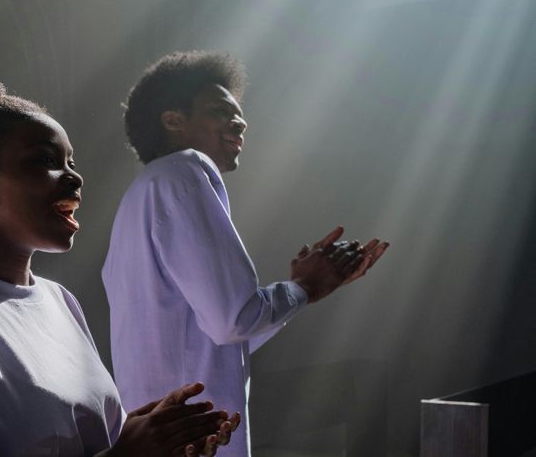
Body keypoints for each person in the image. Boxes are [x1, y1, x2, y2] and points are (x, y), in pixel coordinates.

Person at [0, 73, 239, 456]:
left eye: (70, 161)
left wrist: (155, 439)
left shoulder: (60, 301)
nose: (75, 177)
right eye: (46, 161)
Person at [102, 50, 389, 456]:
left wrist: (304, 290)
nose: (240, 122)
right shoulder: (185, 171)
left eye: (239, 114)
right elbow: (232, 321)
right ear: (173, 120)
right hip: (191, 439)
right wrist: (305, 286)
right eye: (220, 111)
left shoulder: (141, 195)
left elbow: (219, 340)